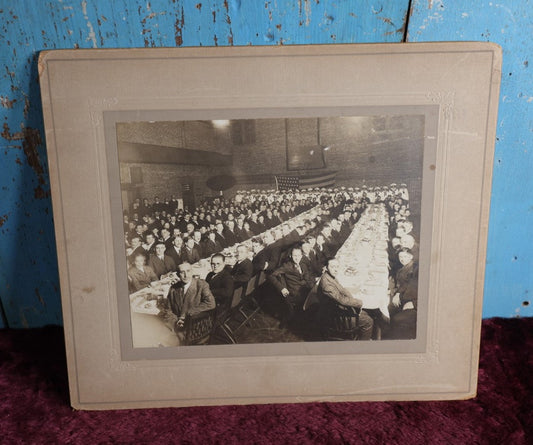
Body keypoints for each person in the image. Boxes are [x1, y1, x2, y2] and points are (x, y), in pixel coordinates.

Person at [317, 258, 373, 340]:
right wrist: (359, 303)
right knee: (369, 321)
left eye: (337, 266)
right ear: (326, 267)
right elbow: (342, 300)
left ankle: (363, 338)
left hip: (337, 310)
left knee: (366, 313)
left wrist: (352, 294)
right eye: (333, 267)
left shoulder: (329, 276)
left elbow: (341, 289)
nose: (335, 269)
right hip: (336, 318)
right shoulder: (327, 284)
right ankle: (362, 346)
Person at [166, 262, 216, 340]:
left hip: (197, 326)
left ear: (192, 272)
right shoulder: (173, 289)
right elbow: (168, 309)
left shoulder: (201, 285)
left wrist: (187, 315)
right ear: (178, 274)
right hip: (178, 326)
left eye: (188, 271)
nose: (186, 275)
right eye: (182, 272)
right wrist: (175, 322)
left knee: (170, 342)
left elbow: (211, 303)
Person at [269, 246, 315, 329]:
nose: (297, 258)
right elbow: (271, 276)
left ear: (302, 256)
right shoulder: (287, 266)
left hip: (303, 289)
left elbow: (306, 277)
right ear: (291, 256)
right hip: (294, 293)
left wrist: (313, 281)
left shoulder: (302, 264)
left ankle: (306, 320)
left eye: (298, 255)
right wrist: (282, 288)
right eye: (294, 256)